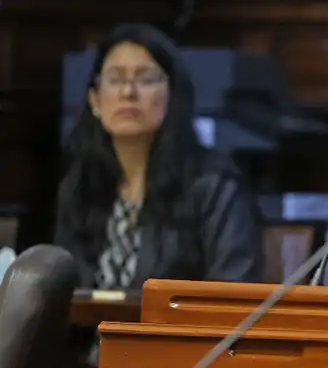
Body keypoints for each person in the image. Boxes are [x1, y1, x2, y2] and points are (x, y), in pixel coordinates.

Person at [54, 23, 264, 291]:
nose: (128, 93)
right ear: (95, 100)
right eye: (115, 79)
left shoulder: (214, 188)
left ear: (173, 95)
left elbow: (233, 296)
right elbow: (62, 294)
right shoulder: (80, 185)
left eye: (145, 79)